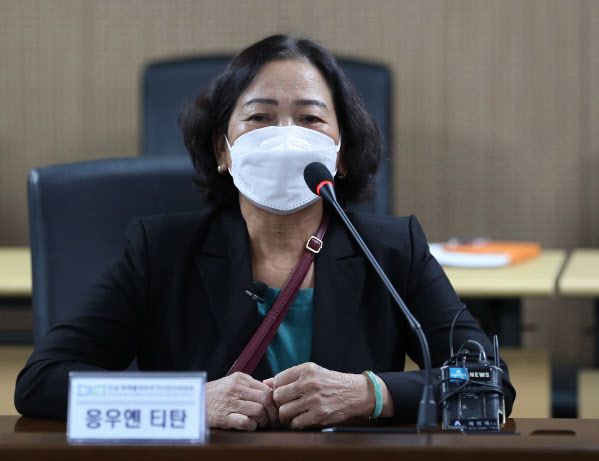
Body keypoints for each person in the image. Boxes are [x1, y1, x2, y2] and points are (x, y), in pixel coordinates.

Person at [15, 34, 515, 431]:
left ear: (341, 152)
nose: (285, 136)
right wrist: (190, 402)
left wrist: (371, 393)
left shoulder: (391, 249)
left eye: (310, 118)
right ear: (223, 149)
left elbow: (488, 382)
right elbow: (42, 381)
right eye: (260, 117)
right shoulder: (161, 250)